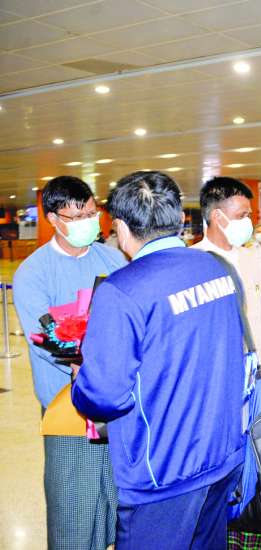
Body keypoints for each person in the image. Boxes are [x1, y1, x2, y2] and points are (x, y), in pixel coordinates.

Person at [72, 171, 247, 549]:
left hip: (163, 473)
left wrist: (80, 381)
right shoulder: (217, 269)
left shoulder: (123, 290)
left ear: (120, 227)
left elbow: (103, 396)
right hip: (221, 455)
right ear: (180, 218)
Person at [13, 176, 126, 550]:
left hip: (115, 402)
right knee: (73, 506)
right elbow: (46, 340)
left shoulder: (112, 258)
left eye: (92, 214)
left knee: (118, 498)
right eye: (76, 217)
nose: (87, 223)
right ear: (53, 219)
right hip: (67, 407)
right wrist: (87, 363)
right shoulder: (33, 272)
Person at [193, 179, 261, 549]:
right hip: (224, 394)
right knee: (233, 475)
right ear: (216, 216)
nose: (249, 222)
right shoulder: (194, 263)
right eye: (242, 215)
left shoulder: (249, 258)